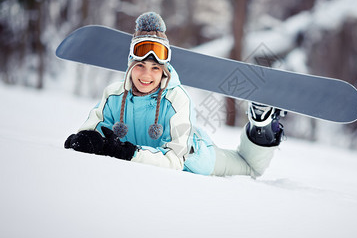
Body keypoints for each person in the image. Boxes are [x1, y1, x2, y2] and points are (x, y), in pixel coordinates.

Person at [64, 12, 285, 177]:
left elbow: (174, 161)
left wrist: (129, 153)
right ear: (130, 65)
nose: (146, 76)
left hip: (193, 156)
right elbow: (93, 128)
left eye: (155, 68)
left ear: (164, 71)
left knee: (249, 168)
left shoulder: (178, 99)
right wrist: (86, 140)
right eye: (140, 66)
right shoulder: (113, 95)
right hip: (147, 153)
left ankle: (261, 126)